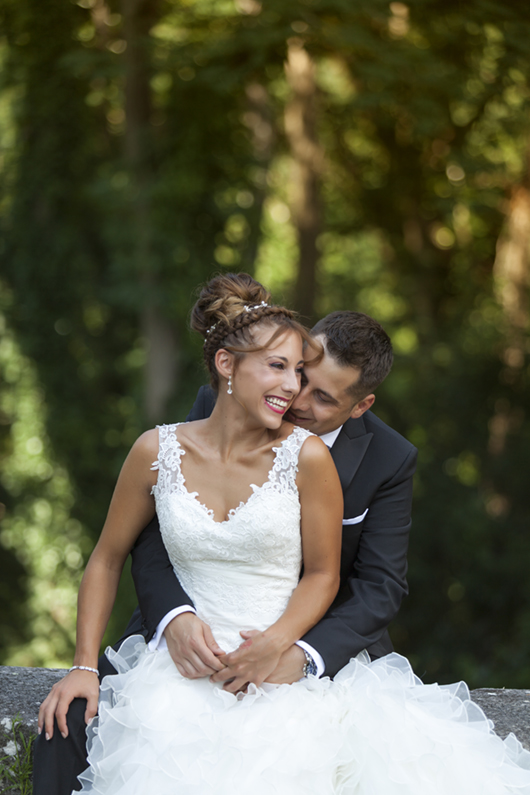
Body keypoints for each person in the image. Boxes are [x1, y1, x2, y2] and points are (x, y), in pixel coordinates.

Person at [36, 275, 530, 794]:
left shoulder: (383, 459)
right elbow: (157, 537)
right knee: (67, 725)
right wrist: (173, 619)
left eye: (319, 394)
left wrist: (292, 654)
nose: (293, 396)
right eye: (293, 369)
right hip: (188, 640)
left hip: (313, 649)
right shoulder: (214, 410)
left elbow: (374, 586)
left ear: (360, 406)